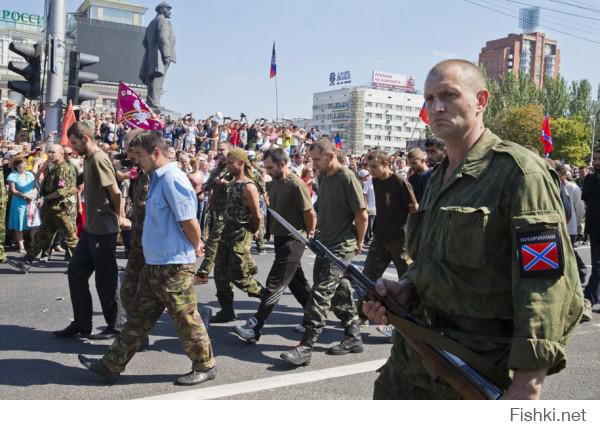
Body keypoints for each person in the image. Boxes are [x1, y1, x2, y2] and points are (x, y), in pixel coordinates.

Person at [363, 59, 583, 400]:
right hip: (418, 354)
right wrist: (406, 288)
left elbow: (544, 282)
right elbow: (433, 258)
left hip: (477, 364)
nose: (436, 106)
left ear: (481, 100)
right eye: (430, 97)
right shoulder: (439, 177)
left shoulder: (520, 173)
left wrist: (528, 382)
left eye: (449, 95)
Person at [78, 130, 216, 386]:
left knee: (186, 319)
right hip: (156, 263)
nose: (135, 160)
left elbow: (189, 221)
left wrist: (196, 248)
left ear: (155, 153)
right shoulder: (157, 178)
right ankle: (110, 365)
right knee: (138, 320)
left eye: (139, 155)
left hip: (173, 265)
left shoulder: (172, 178)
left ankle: (205, 365)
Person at [280, 136, 368, 366]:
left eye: (317, 159)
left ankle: (305, 347)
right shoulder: (324, 177)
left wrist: (358, 242)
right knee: (340, 292)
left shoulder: (347, 177)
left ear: (330, 155)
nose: (313, 164)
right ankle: (353, 336)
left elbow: (362, 214)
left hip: (341, 246)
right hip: (325, 244)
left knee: (320, 293)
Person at [234, 148, 316, 343]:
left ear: (282, 164)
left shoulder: (295, 183)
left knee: (275, 282)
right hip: (280, 238)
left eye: (271, 167)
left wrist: (309, 233)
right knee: (297, 283)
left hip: (293, 238)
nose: (268, 171)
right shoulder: (275, 184)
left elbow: (309, 213)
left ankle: (255, 326)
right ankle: (313, 316)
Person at [53, 122, 126, 340]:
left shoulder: (99, 158)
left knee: (106, 280)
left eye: (75, 143)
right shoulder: (90, 158)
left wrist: (119, 216)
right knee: (76, 272)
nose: (73, 148)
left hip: (103, 229)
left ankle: (117, 326)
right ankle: (82, 323)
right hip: (91, 229)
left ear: (85, 138)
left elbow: (115, 192)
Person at [359, 150, 417, 335]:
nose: (372, 171)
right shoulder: (375, 181)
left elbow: (414, 207)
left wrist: (410, 233)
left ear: (386, 163)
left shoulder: (399, 181)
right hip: (380, 237)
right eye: (370, 167)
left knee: (407, 283)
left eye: (375, 166)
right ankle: (360, 317)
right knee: (367, 277)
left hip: (399, 240)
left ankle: (405, 323)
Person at [210, 148, 263, 323]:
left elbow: (256, 215)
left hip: (241, 233)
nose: (227, 166)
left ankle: (266, 296)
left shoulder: (248, 186)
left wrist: (253, 230)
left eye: (231, 163)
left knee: (239, 275)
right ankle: (226, 310)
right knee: (220, 275)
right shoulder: (232, 183)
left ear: (241, 163)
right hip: (227, 232)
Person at [8, 145, 78, 273]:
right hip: (51, 210)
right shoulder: (53, 167)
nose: (50, 154)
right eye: (48, 152)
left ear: (61, 153)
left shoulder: (63, 169)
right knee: (41, 237)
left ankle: (81, 265)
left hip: (61, 210)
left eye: (53, 152)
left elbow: (62, 191)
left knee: (71, 239)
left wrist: (44, 198)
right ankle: (26, 262)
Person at [194, 141, 232, 284]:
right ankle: (235, 269)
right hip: (216, 209)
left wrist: (225, 183)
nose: (219, 152)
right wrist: (202, 189)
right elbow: (208, 184)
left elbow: (242, 185)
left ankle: (203, 273)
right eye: (219, 150)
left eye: (223, 150)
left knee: (212, 242)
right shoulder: (218, 168)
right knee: (224, 243)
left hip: (228, 211)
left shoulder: (234, 167)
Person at [139, 2, 176, 110]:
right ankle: (154, 103)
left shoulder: (151, 23)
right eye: (168, 9)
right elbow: (163, 36)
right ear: (162, 9)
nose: (170, 12)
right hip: (160, 55)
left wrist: (152, 50)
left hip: (152, 55)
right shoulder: (163, 21)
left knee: (153, 80)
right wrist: (166, 54)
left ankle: (152, 102)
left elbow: (144, 42)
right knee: (157, 80)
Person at [6, 157, 39, 254]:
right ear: (17, 165)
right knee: (19, 225)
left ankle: (33, 244)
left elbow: (35, 186)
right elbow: (13, 190)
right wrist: (25, 195)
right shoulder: (12, 176)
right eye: (22, 164)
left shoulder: (30, 174)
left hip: (32, 201)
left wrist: (33, 194)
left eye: (25, 163)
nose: (25, 165)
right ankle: (21, 246)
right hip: (19, 203)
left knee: (33, 224)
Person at [582, 149, 600, 310]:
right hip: (594, 228)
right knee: (597, 265)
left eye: (598, 159)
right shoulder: (590, 179)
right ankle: (591, 297)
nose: (595, 162)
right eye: (594, 159)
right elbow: (585, 196)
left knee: (598, 266)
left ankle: (590, 298)